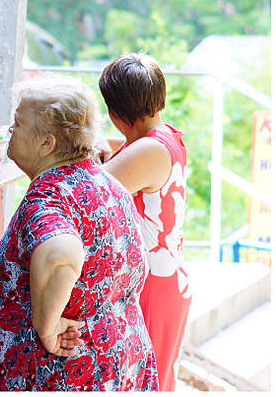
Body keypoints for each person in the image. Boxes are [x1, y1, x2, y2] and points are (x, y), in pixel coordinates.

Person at [0, 76, 159, 391]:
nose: (10, 131)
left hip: (64, 375)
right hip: (119, 363)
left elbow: (61, 255)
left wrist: (46, 327)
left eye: (18, 124)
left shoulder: (47, 197)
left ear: (46, 143)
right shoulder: (109, 186)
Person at [98, 53, 190, 391]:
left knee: (143, 385)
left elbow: (85, 193)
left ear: (116, 112)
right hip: (166, 277)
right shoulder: (165, 136)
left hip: (152, 283)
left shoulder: (147, 150)